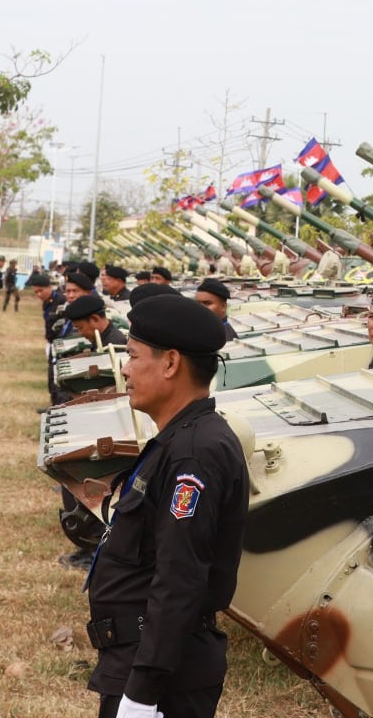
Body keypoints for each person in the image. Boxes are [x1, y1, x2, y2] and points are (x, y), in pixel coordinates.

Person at [85, 293, 249, 718]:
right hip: (143, 658)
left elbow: (181, 578)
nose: (125, 369)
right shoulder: (181, 440)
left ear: (171, 363)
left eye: (133, 356)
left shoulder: (193, 454)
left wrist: (142, 693)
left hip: (162, 675)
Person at [65, 294, 129, 348]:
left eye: (80, 327)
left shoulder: (113, 345)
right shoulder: (104, 338)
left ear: (95, 319)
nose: (80, 333)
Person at [194, 277, 238, 342]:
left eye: (207, 303)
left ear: (223, 306)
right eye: (197, 303)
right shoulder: (206, 329)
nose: (200, 307)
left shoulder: (222, 338)